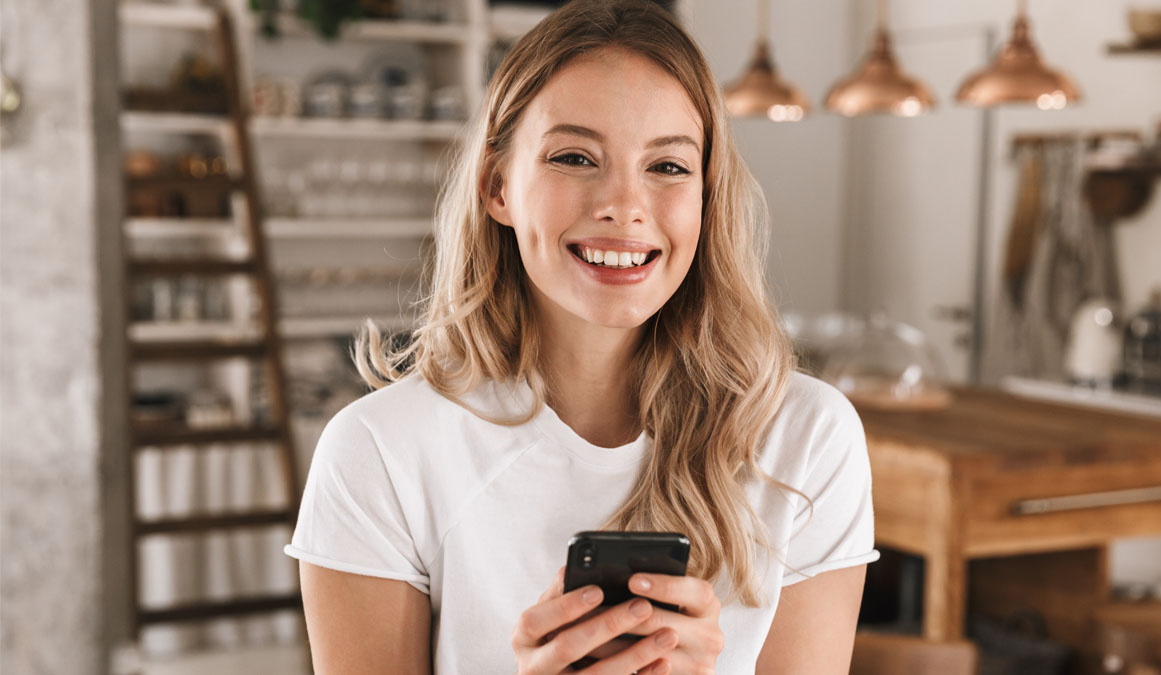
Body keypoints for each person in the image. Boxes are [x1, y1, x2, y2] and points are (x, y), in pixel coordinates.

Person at [283, 1, 880, 672]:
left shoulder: (807, 441)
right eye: (574, 156)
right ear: (497, 185)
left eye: (669, 167)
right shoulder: (379, 453)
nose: (623, 205)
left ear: (708, 198)